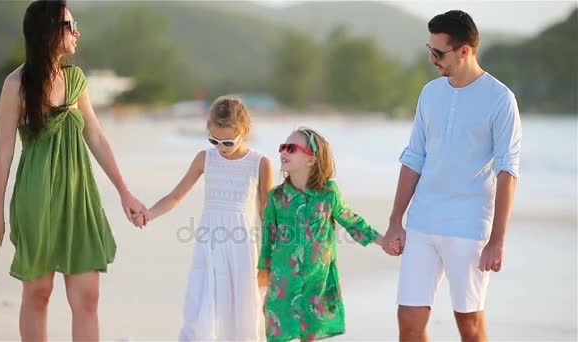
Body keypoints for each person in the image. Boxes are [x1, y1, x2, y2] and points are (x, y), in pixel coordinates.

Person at [0, 1, 148, 340]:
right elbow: (3, 153)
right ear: (48, 32)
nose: (77, 32)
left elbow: (96, 137)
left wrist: (124, 191)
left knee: (87, 297)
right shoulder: (16, 85)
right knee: (38, 295)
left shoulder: (75, 79)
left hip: (78, 197)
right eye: (70, 25)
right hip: (37, 196)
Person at [382, 10, 522, 342]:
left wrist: (498, 239)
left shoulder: (500, 99)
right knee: (409, 322)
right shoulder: (430, 94)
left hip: (468, 226)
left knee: (469, 326)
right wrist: (395, 220)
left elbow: (507, 170)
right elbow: (414, 157)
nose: (432, 58)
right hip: (422, 222)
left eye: (438, 52)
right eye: (429, 49)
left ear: (464, 50)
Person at [136, 96, 274, 341]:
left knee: (243, 310)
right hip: (209, 245)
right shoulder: (205, 158)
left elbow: (266, 214)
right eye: (214, 140)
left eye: (228, 141)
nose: (221, 146)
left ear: (245, 131)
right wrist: (149, 213)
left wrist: (271, 255)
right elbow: (176, 196)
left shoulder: (260, 163)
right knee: (200, 307)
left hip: (242, 249)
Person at [258, 127, 397, 342]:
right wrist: (263, 273)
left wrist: (383, 241)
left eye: (291, 148)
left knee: (310, 334)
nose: (283, 152)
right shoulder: (276, 197)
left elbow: (352, 221)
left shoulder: (328, 194)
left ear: (311, 160)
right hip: (283, 280)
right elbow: (268, 237)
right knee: (278, 333)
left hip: (318, 281)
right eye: (282, 147)